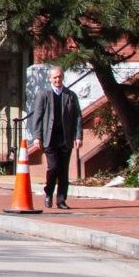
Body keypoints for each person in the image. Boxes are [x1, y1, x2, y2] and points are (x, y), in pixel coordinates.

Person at [26, 66, 83, 210]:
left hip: (65, 138)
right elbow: (37, 117)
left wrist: (78, 136)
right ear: (50, 79)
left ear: (62, 78)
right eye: (55, 77)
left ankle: (61, 200)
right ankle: (48, 193)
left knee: (63, 170)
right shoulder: (44, 95)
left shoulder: (70, 95)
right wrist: (37, 137)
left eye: (59, 77)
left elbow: (77, 117)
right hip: (49, 138)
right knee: (53, 167)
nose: (57, 80)